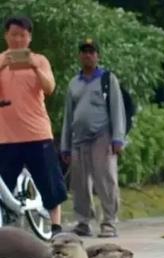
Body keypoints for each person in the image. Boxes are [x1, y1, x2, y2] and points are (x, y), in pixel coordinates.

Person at [0, 16, 66, 236]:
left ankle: (56, 227)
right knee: (3, 186)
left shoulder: (40, 60)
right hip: (7, 137)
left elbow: (49, 88)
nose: (18, 39)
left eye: (22, 35)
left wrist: (34, 67)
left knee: (50, 184)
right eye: (13, 34)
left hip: (37, 134)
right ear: (6, 36)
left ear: (29, 37)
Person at [60, 38, 126, 238]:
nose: (87, 55)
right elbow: (68, 116)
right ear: (80, 55)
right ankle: (83, 221)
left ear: (97, 55)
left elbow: (117, 109)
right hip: (78, 139)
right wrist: (65, 145)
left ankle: (109, 221)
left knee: (105, 179)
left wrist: (118, 138)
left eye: (91, 51)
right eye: (84, 51)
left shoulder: (108, 79)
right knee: (79, 183)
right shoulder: (74, 83)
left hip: (102, 136)